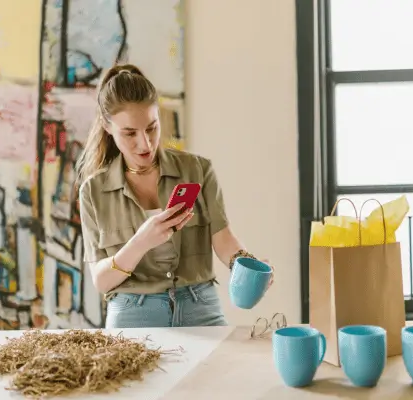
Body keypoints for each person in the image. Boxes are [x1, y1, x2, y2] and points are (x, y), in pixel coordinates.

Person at [76, 64, 273, 328]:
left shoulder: (197, 170)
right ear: (107, 126)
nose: (145, 144)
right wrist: (141, 241)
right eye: (130, 133)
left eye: (152, 128)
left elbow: (223, 239)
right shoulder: (93, 191)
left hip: (200, 307)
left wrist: (247, 264)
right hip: (133, 313)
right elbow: (101, 281)